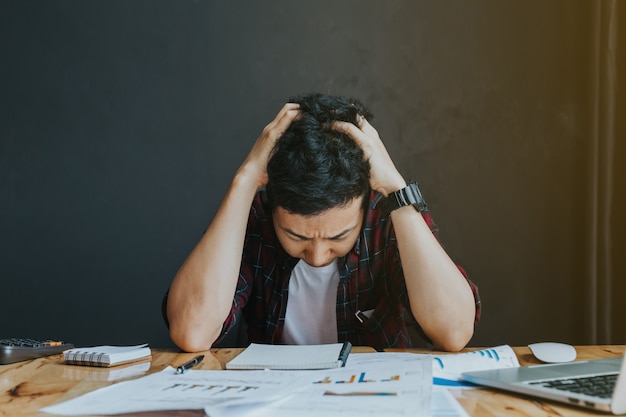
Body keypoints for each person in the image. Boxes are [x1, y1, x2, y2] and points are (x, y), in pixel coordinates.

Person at [164, 93, 481, 352]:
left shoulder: (387, 218)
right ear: (272, 207)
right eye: (296, 236)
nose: (316, 256)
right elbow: (192, 331)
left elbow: (453, 332)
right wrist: (245, 180)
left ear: (365, 201)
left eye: (337, 237)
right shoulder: (255, 218)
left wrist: (397, 191)